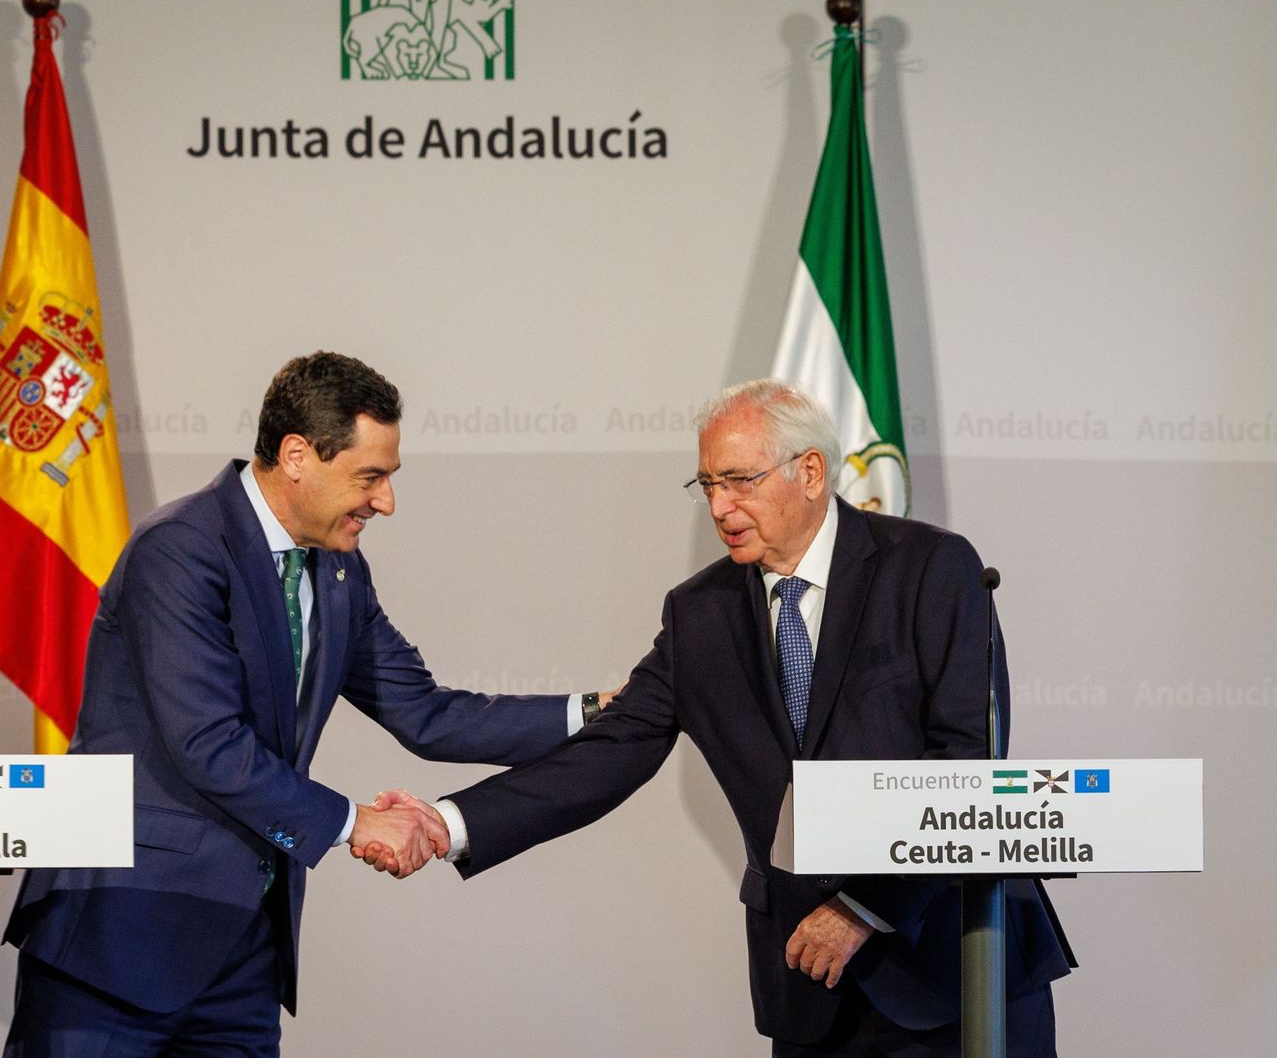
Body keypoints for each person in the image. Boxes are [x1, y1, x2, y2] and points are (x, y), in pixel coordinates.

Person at [364, 379, 1074, 1055]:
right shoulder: (700, 614)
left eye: (741, 480)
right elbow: (609, 752)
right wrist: (448, 824)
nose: (721, 507)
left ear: (811, 471)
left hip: (953, 963)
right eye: (708, 485)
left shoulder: (931, 568)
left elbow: (967, 761)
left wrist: (865, 906)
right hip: (808, 987)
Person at [2, 352, 609, 1056]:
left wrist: (596, 712)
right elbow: (208, 745)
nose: (385, 502)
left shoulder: (340, 571)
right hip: (118, 940)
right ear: (297, 456)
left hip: (245, 958)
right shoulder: (180, 550)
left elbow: (427, 711)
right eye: (370, 476)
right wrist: (355, 823)